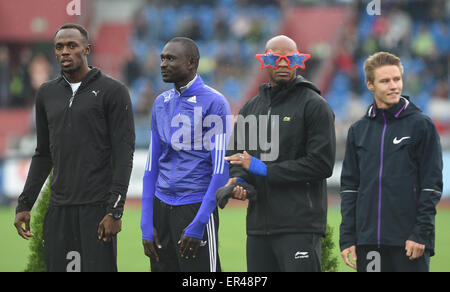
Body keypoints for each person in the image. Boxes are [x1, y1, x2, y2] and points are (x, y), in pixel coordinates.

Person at [13, 23, 135, 272]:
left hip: (97, 209)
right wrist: (25, 204)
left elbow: (124, 155)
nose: (65, 52)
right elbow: (43, 153)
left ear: (87, 49)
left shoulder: (113, 91)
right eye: (59, 47)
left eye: (72, 46)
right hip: (58, 210)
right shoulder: (46, 94)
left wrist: (115, 210)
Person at [224, 35, 336, 272]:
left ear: (298, 61)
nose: (283, 64)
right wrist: (241, 182)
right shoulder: (250, 107)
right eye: (276, 58)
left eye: (289, 58)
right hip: (257, 228)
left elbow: (321, 165)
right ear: (265, 60)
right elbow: (236, 156)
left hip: (299, 227)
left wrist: (262, 168)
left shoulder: (315, 105)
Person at [339, 52, 443, 272]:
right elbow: (350, 189)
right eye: (385, 81)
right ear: (370, 84)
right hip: (369, 244)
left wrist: (421, 234)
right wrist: (348, 238)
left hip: (409, 242)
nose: (393, 85)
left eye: (397, 79)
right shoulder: (358, 130)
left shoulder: (422, 126)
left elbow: (431, 186)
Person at [140, 37, 231, 272]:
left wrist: (199, 223)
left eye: (170, 58)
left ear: (191, 62)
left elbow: (220, 171)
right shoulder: (161, 103)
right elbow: (151, 168)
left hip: (194, 207)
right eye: (162, 58)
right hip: (161, 209)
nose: (163, 63)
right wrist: (146, 223)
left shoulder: (215, 103)